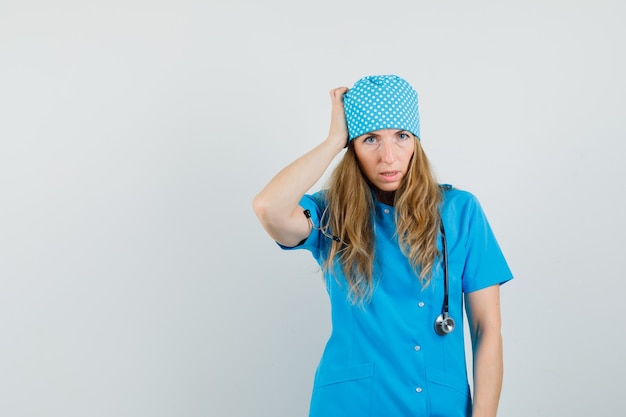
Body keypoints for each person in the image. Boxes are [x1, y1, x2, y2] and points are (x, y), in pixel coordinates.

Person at [252, 74, 513, 417]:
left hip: (438, 405)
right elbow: (268, 208)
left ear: (416, 141)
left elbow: (486, 329)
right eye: (370, 139)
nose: (388, 157)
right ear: (353, 147)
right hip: (351, 405)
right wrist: (333, 141)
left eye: (401, 137)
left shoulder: (459, 211)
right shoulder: (331, 214)